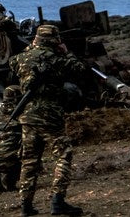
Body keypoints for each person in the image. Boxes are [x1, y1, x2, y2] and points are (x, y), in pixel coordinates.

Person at [9, 23, 89, 216]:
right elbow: (80, 69)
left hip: (27, 116)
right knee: (63, 154)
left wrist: (32, 47)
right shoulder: (55, 58)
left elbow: (13, 63)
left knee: (29, 161)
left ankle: (25, 206)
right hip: (49, 114)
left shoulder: (20, 59)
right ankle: (57, 201)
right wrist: (66, 52)